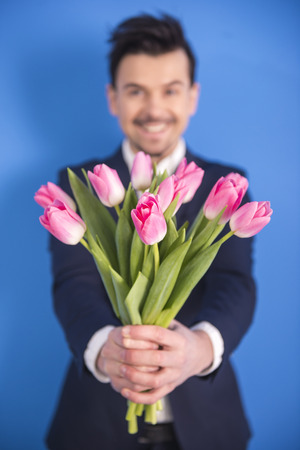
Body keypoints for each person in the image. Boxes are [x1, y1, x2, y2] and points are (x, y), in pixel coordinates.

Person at [45, 13, 256, 450]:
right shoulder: (81, 185)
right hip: (94, 423)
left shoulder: (225, 185)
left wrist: (200, 348)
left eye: (171, 90)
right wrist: (106, 348)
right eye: (136, 91)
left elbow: (234, 282)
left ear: (192, 96)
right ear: (113, 98)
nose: (154, 109)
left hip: (209, 422)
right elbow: (74, 283)